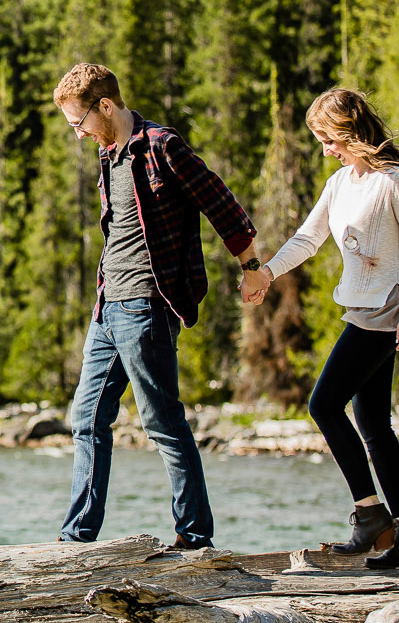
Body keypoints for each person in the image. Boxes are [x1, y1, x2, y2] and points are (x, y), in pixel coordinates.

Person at [52, 63, 265, 549]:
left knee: (163, 423)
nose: (78, 134)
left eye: (78, 123)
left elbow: (219, 200)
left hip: (148, 304)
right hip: (108, 307)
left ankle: (194, 539)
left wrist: (251, 264)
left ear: (105, 106)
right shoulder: (110, 155)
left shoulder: (161, 146)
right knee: (86, 420)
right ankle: (75, 541)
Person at [246, 87, 399, 569]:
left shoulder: (394, 181)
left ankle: (369, 514)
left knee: (324, 404)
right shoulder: (340, 183)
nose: (324, 148)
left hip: (387, 308)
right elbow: (309, 238)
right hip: (360, 306)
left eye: (326, 138)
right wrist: (267, 272)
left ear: (348, 131)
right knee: (372, 423)